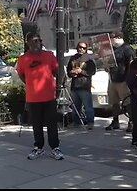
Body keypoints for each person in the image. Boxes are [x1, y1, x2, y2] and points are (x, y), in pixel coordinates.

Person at [16, 32, 64, 160]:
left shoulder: (49, 56)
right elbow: (21, 74)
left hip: (49, 96)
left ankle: (55, 147)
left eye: (39, 40)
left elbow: (56, 71)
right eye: (35, 41)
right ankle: (39, 147)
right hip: (33, 97)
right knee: (36, 124)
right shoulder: (23, 59)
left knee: (51, 124)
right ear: (28, 43)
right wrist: (30, 83)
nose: (38, 43)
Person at [105, 32, 135, 131]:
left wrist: (128, 78)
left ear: (118, 38)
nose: (111, 40)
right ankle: (115, 121)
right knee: (114, 102)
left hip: (123, 80)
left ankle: (131, 122)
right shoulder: (112, 49)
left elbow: (131, 63)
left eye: (113, 38)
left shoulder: (127, 48)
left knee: (127, 102)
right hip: (112, 79)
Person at [67, 41, 97, 130]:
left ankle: (90, 122)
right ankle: (76, 122)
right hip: (74, 85)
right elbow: (69, 70)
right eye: (80, 47)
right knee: (75, 107)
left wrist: (81, 72)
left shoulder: (89, 59)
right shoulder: (73, 58)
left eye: (84, 48)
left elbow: (92, 71)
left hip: (84, 85)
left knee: (88, 106)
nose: (81, 49)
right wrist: (71, 73)